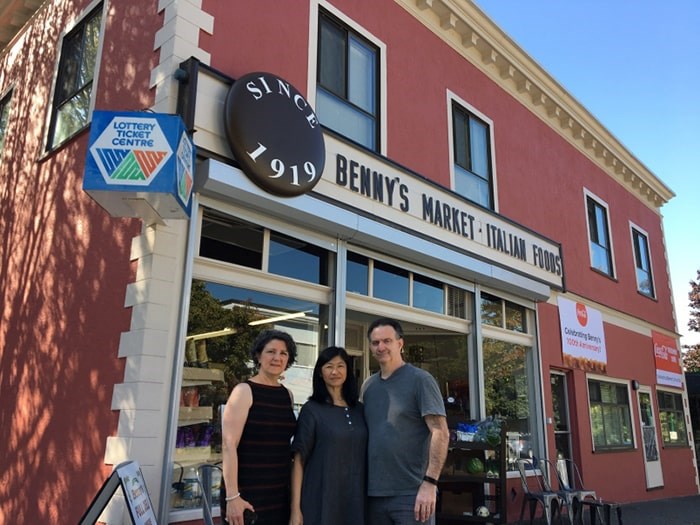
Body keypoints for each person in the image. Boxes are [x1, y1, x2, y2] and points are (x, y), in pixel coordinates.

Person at [361, 318, 449, 525]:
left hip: (412, 494)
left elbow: (440, 432)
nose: (381, 347)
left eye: (387, 341)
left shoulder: (421, 380)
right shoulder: (368, 386)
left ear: (400, 343)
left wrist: (430, 482)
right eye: (375, 343)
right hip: (374, 494)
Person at [220, 329, 297, 525]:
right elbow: (229, 444)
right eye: (271, 351)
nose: (277, 358)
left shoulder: (287, 395)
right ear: (258, 355)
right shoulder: (244, 391)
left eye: (283, 353)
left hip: (278, 493)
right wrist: (232, 496)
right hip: (246, 493)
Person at [289, 346, 367, 525]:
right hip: (320, 500)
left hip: (355, 500)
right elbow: (299, 461)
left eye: (341, 366)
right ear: (319, 373)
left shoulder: (360, 410)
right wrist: (295, 509)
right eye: (328, 366)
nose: (335, 371)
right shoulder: (312, 410)